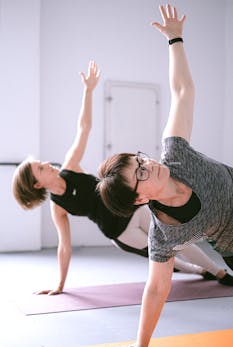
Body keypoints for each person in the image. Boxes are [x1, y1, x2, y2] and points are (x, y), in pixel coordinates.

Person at [12, 61, 232, 297]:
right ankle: (198, 272)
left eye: (41, 163)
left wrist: (88, 91)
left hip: (133, 208)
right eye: (40, 168)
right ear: (37, 184)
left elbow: (83, 128)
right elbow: (64, 247)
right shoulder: (58, 208)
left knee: (178, 242)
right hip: (118, 231)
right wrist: (60, 285)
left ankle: (218, 272)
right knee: (166, 260)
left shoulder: (70, 166)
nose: (46, 164)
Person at [97, 4, 233, 347]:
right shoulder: (163, 234)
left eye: (140, 158)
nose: (149, 165)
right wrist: (141, 346)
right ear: (140, 199)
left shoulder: (175, 153)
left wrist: (175, 39)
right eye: (141, 172)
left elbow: (183, 92)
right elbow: (156, 289)